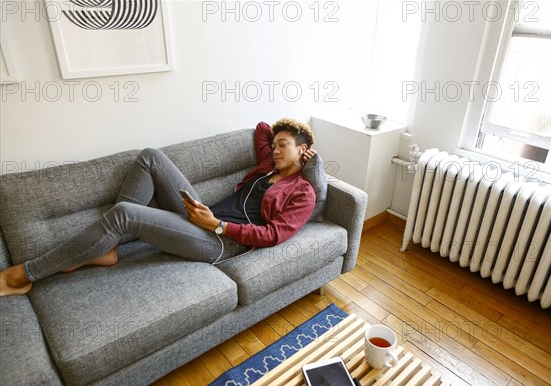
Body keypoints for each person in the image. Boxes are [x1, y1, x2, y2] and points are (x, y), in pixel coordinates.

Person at [0, 118, 320, 296]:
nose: (275, 149)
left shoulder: (302, 192)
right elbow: (263, 127)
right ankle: (107, 248)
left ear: (301, 150)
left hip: (221, 242)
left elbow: (274, 234)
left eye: (283, 146)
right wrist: (284, 143)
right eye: (275, 146)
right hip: (202, 214)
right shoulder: (268, 166)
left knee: (125, 215)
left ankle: (25, 274)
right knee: (150, 156)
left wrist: (218, 226)